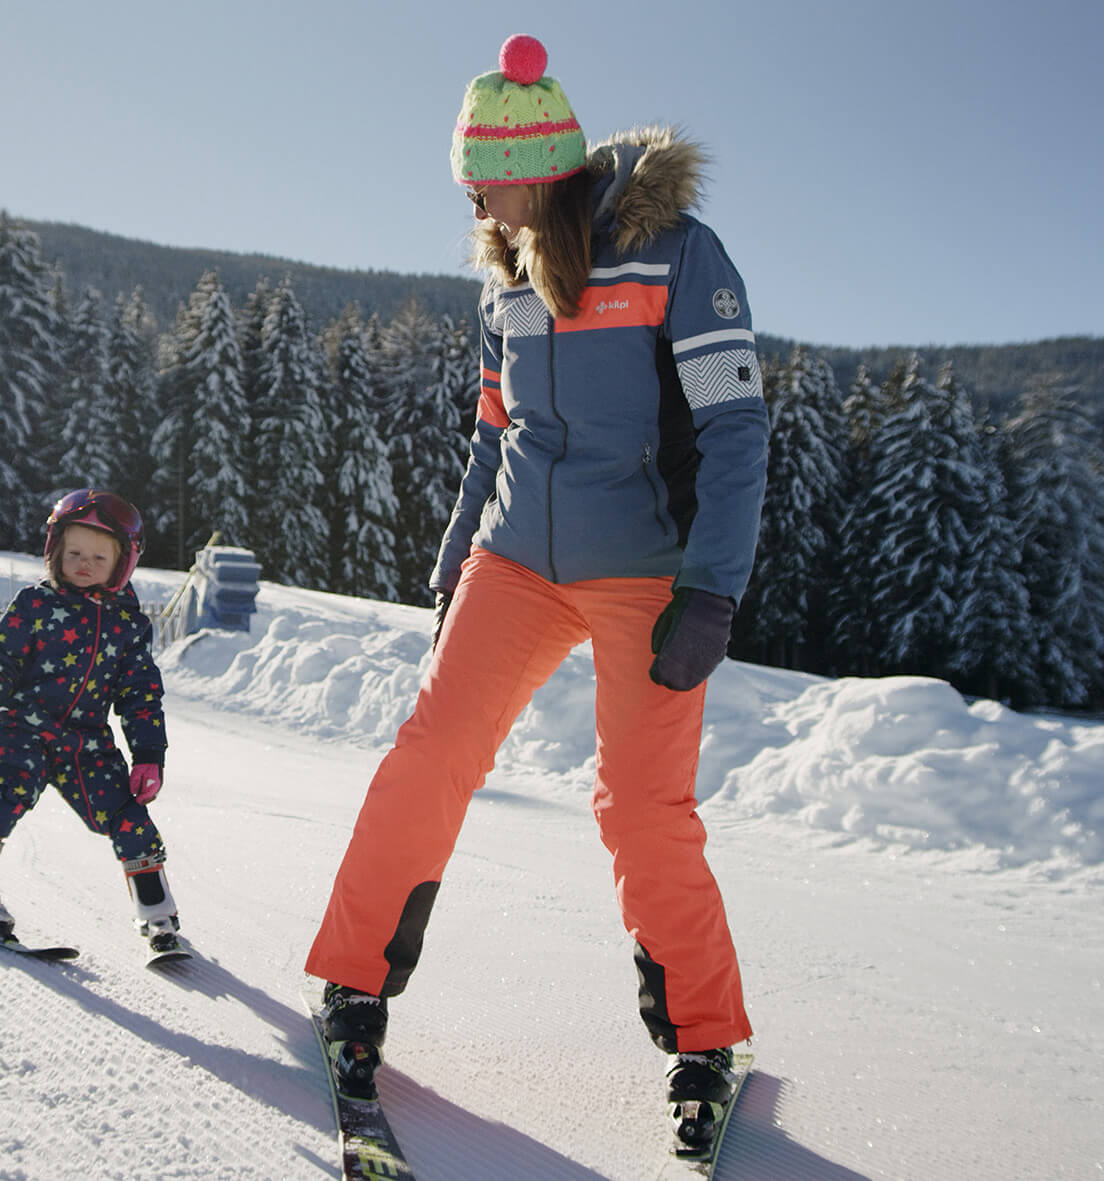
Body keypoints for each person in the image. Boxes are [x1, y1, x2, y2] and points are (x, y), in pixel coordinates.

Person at [305, 34, 769, 1123]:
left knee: (642, 810)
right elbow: (493, 437)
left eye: (485, 180)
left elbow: (738, 428)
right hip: (513, 561)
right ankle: (354, 986)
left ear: (538, 168)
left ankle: (707, 1039)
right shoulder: (506, 277)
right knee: (428, 759)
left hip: (647, 573)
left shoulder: (677, 254)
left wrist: (713, 587)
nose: (475, 202)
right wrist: (455, 562)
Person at [0, 489, 180, 955]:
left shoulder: (128, 626)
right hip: (24, 728)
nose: (84, 563)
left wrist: (149, 755)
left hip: (87, 743)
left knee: (128, 817)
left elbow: (140, 696)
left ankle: (156, 909)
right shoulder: (34, 603)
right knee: (10, 789)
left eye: (99, 556)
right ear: (55, 551)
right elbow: (1, 660)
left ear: (123, 563)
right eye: (73, 552)